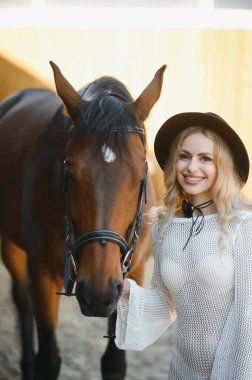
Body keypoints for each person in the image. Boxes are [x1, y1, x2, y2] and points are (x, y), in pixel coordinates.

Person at [115, 112, 252, 379]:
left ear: (222, 165)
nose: (191, 167)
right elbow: (166, 302)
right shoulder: (164, 228)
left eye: (205, 159)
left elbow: (248, 314)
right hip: (182, 369)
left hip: (236, 370)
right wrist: (127, 290)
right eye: (184, 155)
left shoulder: (242, 226)